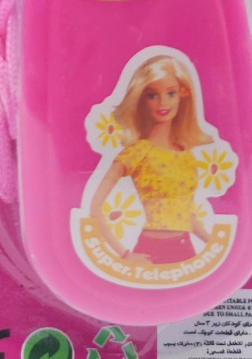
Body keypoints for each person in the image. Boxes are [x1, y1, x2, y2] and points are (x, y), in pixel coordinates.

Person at [89, 54, 224, 264]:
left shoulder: (186, 155)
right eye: (152, 95)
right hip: (150, 249)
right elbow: (95, 206)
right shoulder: (139, 151)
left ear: (182, 95)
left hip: (186, 247)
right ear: (140, 99)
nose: (163, 102)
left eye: (171, 93)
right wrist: (124, 254)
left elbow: (186, 215)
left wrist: (214, 245)